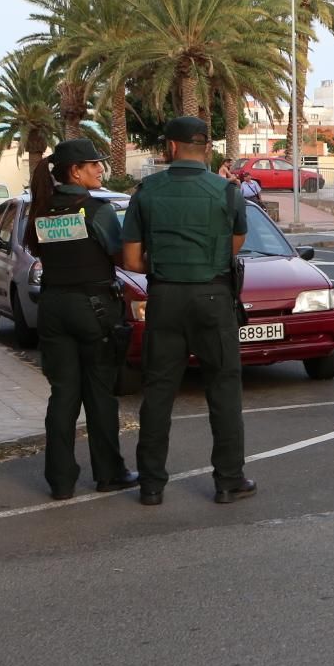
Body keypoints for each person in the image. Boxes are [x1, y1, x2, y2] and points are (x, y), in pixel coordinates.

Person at [121, 115, 254, 506]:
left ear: (171, 147)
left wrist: (167, 263)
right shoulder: (228, 192)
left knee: (159, 391)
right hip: (213, 298)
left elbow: (131, 259)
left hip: (164, 299)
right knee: (224, 390)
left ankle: (150, 485)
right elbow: (236, 243)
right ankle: (229, 481)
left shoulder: (145, 191)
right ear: (206, 149)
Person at [29, 140, 139, 500]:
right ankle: (109, 473)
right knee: (99, 394)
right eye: (93, 165)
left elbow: (38, 250)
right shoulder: (97, 210)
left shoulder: (43, 210)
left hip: (53, 306)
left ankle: (60, 481)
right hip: (93, 309)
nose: (99, 170)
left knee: (62, 395)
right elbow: (119, 255)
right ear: (75, 170)